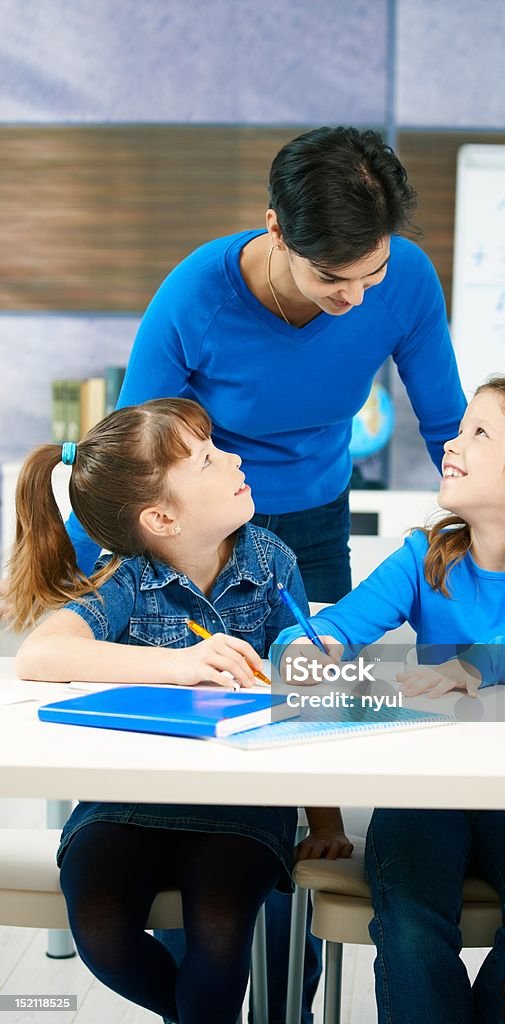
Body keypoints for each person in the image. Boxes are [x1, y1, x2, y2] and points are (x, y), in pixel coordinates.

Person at [63, 123, 468, 1021]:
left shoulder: (401, 281)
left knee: (303, 695)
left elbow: (446, 424)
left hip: (314, 515)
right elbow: (137, 461)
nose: (357, 299)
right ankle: (184, 896)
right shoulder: (195, 297)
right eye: (333, 280)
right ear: (277, 230)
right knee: (203, 696)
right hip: (201, 518)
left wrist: (492, 537)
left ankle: (291, 933)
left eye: (371, 274)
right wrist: (97, 591)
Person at [273, 377, 505, 1024]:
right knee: (407, 920)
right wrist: (299, 649)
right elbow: (333, 629)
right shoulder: (421, 557)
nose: (450, 444)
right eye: (457, 429)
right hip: (422, 789)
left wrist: (481, 661)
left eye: (477, 433)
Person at [4, 398, 352, 1024]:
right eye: (208, 459)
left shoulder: (272, 563)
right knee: (103, 936)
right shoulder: (127, 580)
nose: (235, 458)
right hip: (126, 806)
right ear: (162, 517)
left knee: (219, 945)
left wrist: (323, 822)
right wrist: (179, 664)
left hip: (241, 810)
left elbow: (308, 705)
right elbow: (39, 653)